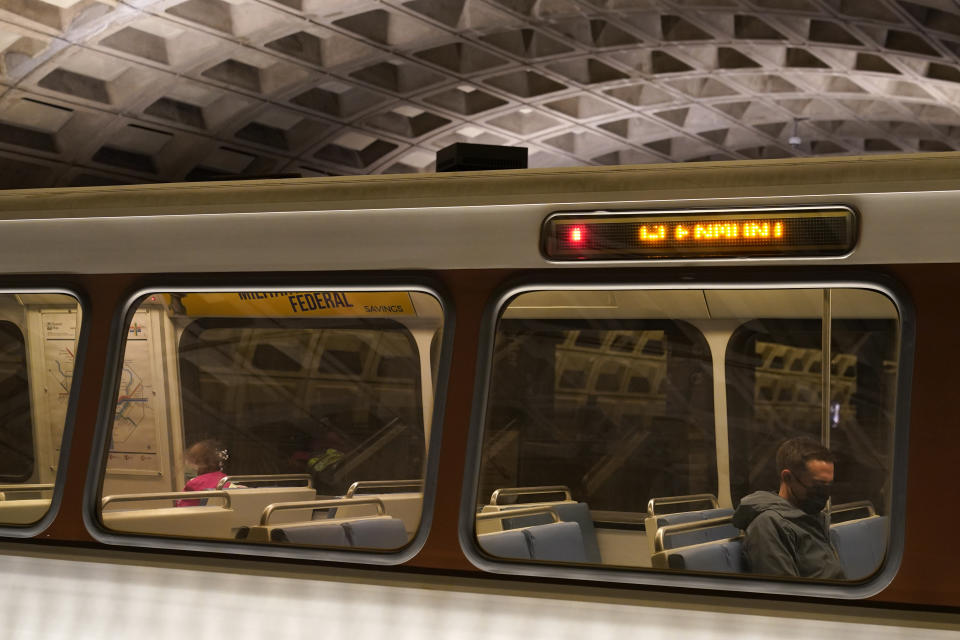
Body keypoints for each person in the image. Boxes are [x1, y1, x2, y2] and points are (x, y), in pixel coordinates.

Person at [731, 437, 845, 579]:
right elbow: (785, 592)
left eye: (829, 486)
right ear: (788, 478)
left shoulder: (812, 516)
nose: (825, 494)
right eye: (818, 486)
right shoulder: (768, 525)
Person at [176, 439, 231, 507]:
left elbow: (182, 510)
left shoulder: (194, 484)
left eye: (190, 460)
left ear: (201, 462)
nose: (188, 464)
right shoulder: (226, 480)